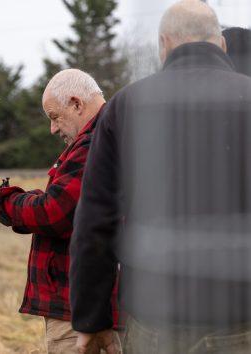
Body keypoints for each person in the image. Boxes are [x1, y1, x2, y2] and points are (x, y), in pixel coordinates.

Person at [70, 1, 251, 353]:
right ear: (222, 44)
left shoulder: (126, 105)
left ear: (164, 43)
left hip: (156, 321)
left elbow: (96, 219)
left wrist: (91, 319)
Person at [0, 69, 120, 354]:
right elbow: (67, 201)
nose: (52, 129)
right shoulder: (106, 134)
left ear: (76, 104)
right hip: (89, 303)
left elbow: (56, 211)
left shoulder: (94, 143)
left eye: (54, 117)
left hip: (80, 309)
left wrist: (1, 202)